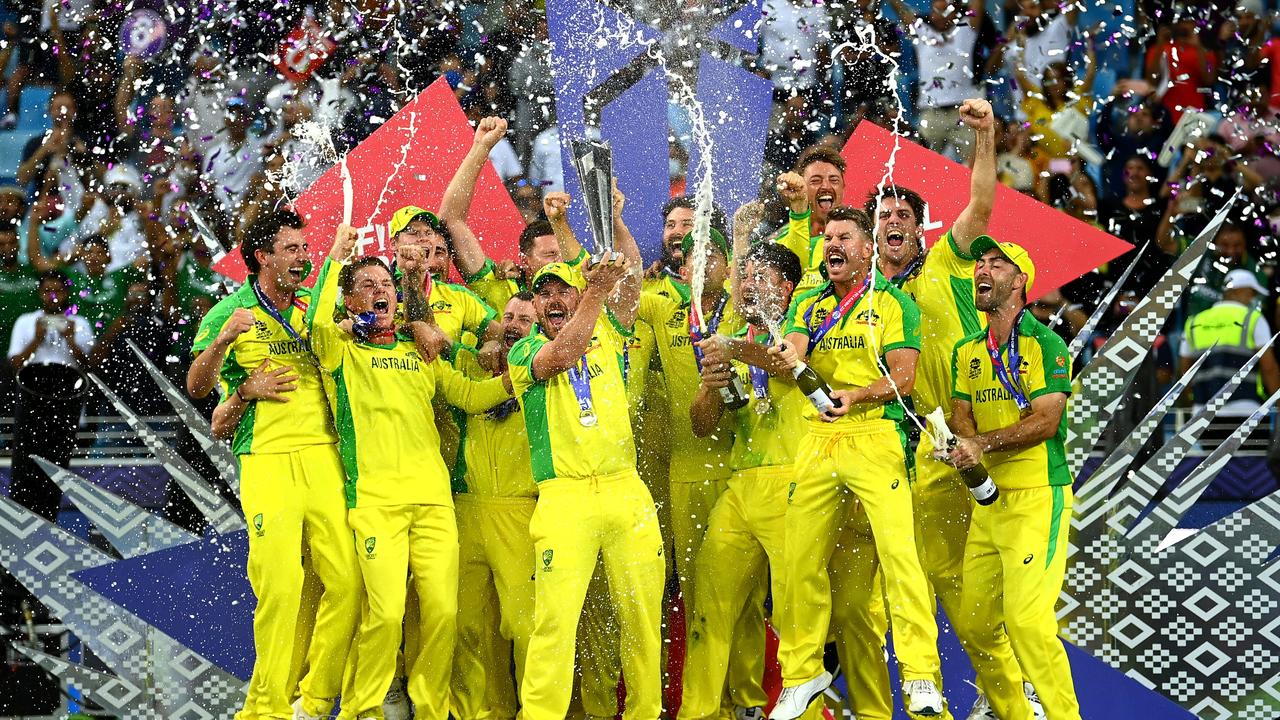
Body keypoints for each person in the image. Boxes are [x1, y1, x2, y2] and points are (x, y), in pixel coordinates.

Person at [308, 225, 514, 720]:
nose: (381, 292)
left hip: (434, 503)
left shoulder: (416, 352)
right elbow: (317, 323)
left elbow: (467, 395)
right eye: (369, 287)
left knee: (442, 612)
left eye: (386, 286)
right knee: (385, 613)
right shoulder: (342, 351)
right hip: (376, 504)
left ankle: (431, 706)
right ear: (350, 301)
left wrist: (521, 377)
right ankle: (366, 708)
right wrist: (337, 256)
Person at [186, 210, 360, 720]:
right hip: (267, 460)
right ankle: (264, 711)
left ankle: (317, 696)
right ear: (263, 257)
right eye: (292, 249)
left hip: (326, 457)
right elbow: (197, 389)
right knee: (280, 589)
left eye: (305, 249)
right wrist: (233, 367)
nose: (303, 257)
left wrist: (338, 261)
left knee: (348, 585)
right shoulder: (230, 313)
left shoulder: (313, 305)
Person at [770, 206, 940, 719]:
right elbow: (795, 351)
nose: (831, 244)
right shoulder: (808, 300)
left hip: (875, 434)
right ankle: (801, 675)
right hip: (819, 437)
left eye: (844, 237)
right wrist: (786, 355)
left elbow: (903, 380)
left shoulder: (892, 305)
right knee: (797, 560)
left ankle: (920, 675)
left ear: (867, 249)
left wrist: (858, 394)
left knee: (899, 557)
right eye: (826, 238)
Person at [507, 240, 665, 720]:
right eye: (544, 293)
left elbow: (633, 277)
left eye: (563, 291)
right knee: (555, 623)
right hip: (565, 499)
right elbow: (565, 352)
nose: (554, 299)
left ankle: (645, 713)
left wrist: (610, 267)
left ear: (577, 297)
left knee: (641, 618)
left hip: (625, 488)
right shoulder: (524, 350)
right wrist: (594, 291)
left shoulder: (611, 330)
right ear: (534, 306)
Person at [636, 227, 768, 716]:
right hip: (687, 473)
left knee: (750, 596)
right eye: (694, 256)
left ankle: (749, 700)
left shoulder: (743, 310)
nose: (703, 263)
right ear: (681, 267)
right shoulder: (659, 306)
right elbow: (619, 288)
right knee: (697, 598)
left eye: (713, 253)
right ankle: (707, 709)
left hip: (740, 469)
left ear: (726, 262)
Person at [946, 237, 1079, 720]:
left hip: (1038, 496)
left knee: (1027, 623)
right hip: (990, 502)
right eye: (978, 263)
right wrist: (964, 441)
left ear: (1020, 280)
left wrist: (981, 443)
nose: (982, 270)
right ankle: (1015, 712)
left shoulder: (1046, 343)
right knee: (977, 626)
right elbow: (962, 413)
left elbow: (1046, 422)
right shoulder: (967, 350)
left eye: (996, 264)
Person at [681, 237, 805, 720]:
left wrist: (731, 348)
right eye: (746, 274)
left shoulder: (803, 320)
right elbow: (702, 423)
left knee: (798, 614)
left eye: (761, 276)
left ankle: (780, 707)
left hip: (795, 481)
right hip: (741, 481)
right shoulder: (732, 329)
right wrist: (710, 389)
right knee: (709, 606)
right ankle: (699, 712)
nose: (748, 284)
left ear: (786, 286)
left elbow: (784, 362)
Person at [448, 292, 540, 720]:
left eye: (524, 318)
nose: (514, 324)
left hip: (520, 511)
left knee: (524, 627)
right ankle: (482, 714)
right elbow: (433, 335)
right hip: (468, 508)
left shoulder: (540, 366)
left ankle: (532, 711)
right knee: (469, 626)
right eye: (507, 316)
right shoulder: (470, 362)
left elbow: (472, 396)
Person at [7, 270, 93, 521]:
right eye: (47, 291)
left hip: (67, 408)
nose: (53, 297)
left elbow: (89, 365)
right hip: (32, 409)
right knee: (28, 472)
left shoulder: (80, 323)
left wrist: (71, 339)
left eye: (58, 290)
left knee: (58, 474)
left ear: (67, 293)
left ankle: (53, 520)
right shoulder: (26, 321)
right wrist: (36, 339)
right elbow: (15, 364)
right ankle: (24, 522)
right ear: (39, 293)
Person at [1179, 268, 1280, 431]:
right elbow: (1269, 368)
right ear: (1239, 291)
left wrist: (1190, 407)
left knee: (1210, 457)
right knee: (1250, 456)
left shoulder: (1194, 322)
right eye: (1252, 293)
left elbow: (1184, 373)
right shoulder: (1253, 318)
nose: (1253, 299)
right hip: (1245, 410)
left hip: (1202, 415)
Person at [886, 0, 985, 160]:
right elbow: (900, 9)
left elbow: (978, 4)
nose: (937, 15)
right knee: (920, 165)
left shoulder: (965, 30)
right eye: (935, 11)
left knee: (976, 165)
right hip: (930, 113)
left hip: (963, 113)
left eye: (944, 10)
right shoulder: (923, 32)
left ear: (955, 13)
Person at [773, 145, 847, 294]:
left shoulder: (859, 238)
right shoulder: (780, 237)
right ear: (802, 187)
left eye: (834, 180)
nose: (826, 186)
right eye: (816, 181)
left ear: (843, 188)